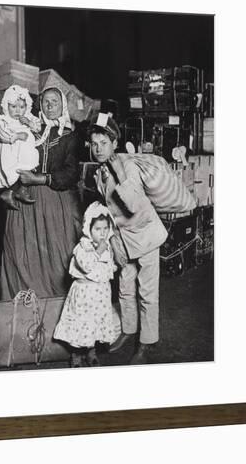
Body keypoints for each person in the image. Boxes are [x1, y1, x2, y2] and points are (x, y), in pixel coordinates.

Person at [88, 113, 168, 365]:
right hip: (123, 238)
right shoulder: (98, 172)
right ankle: (129, 330)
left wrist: (119, 171)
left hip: (145, 235)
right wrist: (113, 242)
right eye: (94, 143)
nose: (98, 148)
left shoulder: (127, 165)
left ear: (115, 144)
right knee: (124, 288)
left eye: (104, 143)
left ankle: (146, 343)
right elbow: (109, 212)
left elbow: (132, 204)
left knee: (147, 292)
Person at [0, 86, 82, 300]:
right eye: (45, 101)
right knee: (20, 250)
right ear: (39, 106)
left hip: (55, 200)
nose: (50, 105)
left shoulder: (70, 137)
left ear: (63, 105)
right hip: (26, 199)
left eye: (54, 101)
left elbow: (71, 174)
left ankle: (58, 304)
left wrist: (40, 179)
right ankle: (23, 302)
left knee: (57, 253)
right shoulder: (31, 129)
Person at [53, 202, 119, 367]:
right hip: (84, 293)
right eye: (98, 229)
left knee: (94, 323)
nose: (102, 233)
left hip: (100, 293)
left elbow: (108, 266)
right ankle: (76, 354)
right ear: (88, 229)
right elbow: (86, 265)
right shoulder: (83, 247)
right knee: (80, 324)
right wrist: (98, 251)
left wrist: (112, 266)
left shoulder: (107, 246)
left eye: (105, 228)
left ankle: (91, 351)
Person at [0, 85, 41, 210]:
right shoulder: (4, 120)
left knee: (28, 168)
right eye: (13, 107)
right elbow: (2, 136)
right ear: (6, 106)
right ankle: (9, 192)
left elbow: (38, 128)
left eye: (22, 107)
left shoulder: (28, 117)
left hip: (26, 152)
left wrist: (28, 123)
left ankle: (20, 190)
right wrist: (18, 136)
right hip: (11, 151)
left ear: (27, 106)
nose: (18, 110)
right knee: (14, 171)